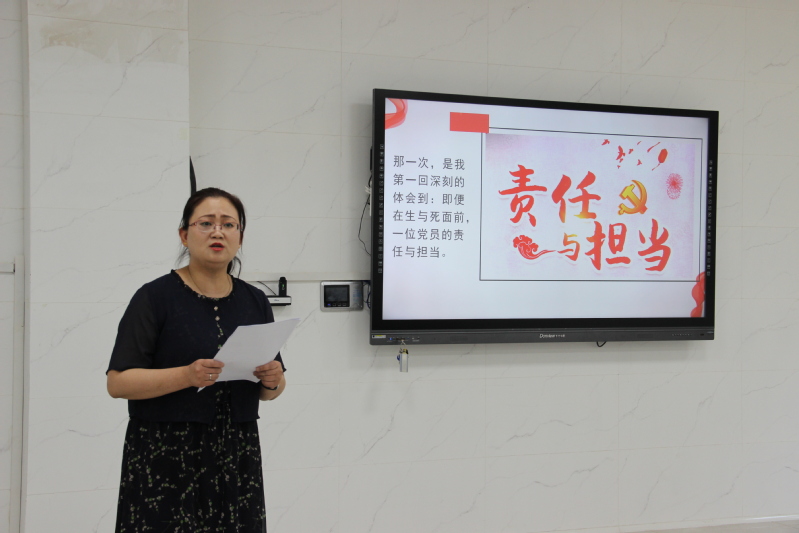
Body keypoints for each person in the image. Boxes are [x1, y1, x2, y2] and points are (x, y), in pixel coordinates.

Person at [106, 187, 286, 532]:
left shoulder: (255, 300)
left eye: (228, 224)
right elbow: (118, 383)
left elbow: (271, 392)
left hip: (236, 454)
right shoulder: (154, 297)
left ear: (240, 237)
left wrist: (273, 379)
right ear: (184, 235)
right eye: (206, 223)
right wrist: (187, 376)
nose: (218, 232)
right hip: (165, 456)